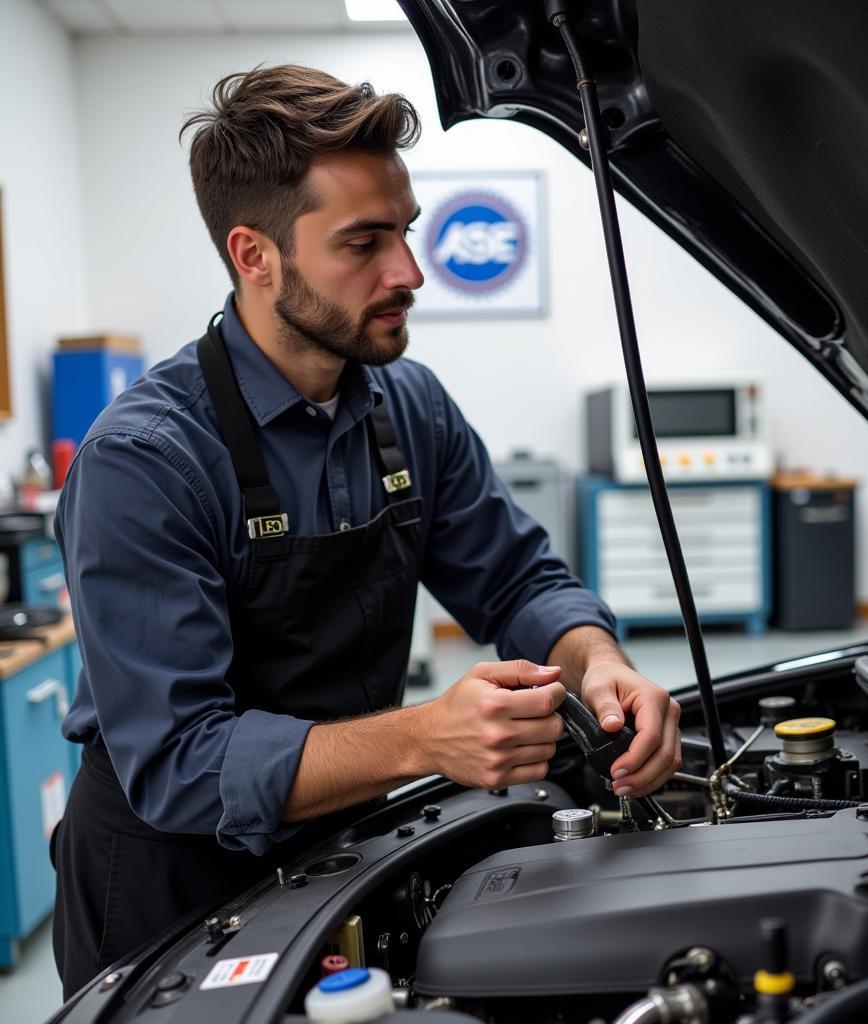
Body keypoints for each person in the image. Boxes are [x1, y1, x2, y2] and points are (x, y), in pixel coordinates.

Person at [50, 64, 681, 997]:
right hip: (167, 886)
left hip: (342, 843)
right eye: (364, 242)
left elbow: (515, 582)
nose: (410, 273)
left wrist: (597, 662)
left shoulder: (408, 404)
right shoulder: (143, 462)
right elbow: (182, 761)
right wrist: (426, 738)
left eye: (407, 232)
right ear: (254, 255)